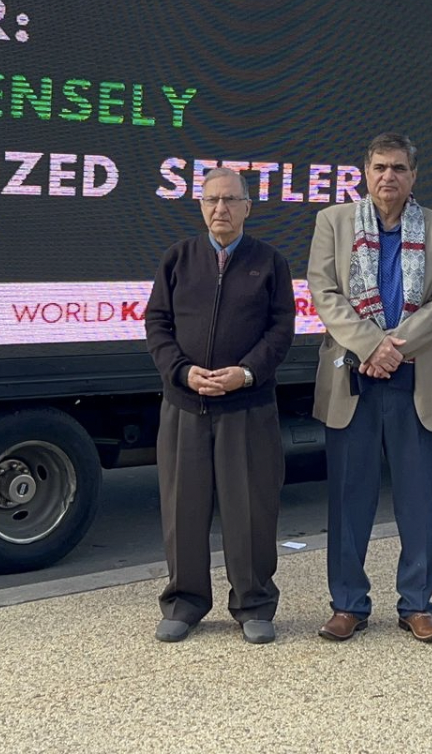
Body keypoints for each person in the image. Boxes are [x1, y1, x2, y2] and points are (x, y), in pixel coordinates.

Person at [308, 133, 432, 644]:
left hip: (418, 378)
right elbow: (324, 293)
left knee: (419, 499)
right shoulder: (334, 223)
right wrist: (372, 346)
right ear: (365, 171)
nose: (388, 176)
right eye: (379, 167)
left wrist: (395, 346)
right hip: (353, 379)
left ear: (414, 175)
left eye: (398, 168)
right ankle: (348, 604)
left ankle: (417, 605)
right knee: (350, 497)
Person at [143, 166, 297, 645]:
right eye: (212, 200)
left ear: (248, 207)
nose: (221, 209)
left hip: (246, 407)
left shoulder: (269, 262)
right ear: (201, 206)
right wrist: (182, 371)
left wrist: (246, 373)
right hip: (185, 405)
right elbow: (157, 323)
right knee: (182, 509)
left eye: (230, 200)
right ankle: (184, 602)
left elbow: (281, 330)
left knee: (250, 509)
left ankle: (253, 603)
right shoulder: (178, 259)